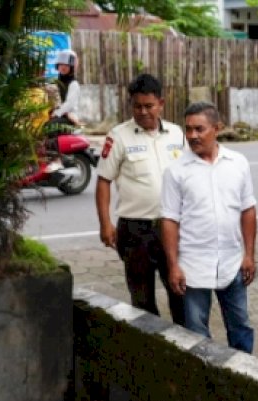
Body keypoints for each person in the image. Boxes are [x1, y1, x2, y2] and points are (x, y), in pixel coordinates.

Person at [161, 101, 256, 353]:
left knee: (241, 327)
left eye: (199, 129)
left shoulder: (238, 163)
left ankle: (245, 378)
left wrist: (249, 255)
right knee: (196, 332)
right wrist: (173, 266)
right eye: (188, 129)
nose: (192, 135)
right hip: (193, 267)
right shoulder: (176, 171)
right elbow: (170, 220)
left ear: (217, 128)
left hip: (232, 262)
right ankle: (205, 384)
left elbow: (248, 210)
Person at [96, 73, 185, 326]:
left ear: (162, 103)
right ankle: (150, 349)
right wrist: (105, 224)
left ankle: (185, 347)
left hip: (173, 227)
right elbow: (103, 180)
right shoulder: (119, 136)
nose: (144, 112)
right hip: (136, 231)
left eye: (149, 106)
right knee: (142, 301)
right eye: (137, 106)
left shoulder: (177, 134)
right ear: (131, 105)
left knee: (180, 291)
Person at [49, 49, 80, 128]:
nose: (63, 67)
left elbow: (69, 104)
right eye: (61, 64)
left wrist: (56, 113)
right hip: (54, 114)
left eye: (66, 65)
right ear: (57, 66)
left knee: (51, 125)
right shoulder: (55, 83)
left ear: (72, 67)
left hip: (69, 116)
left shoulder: (73, 84)